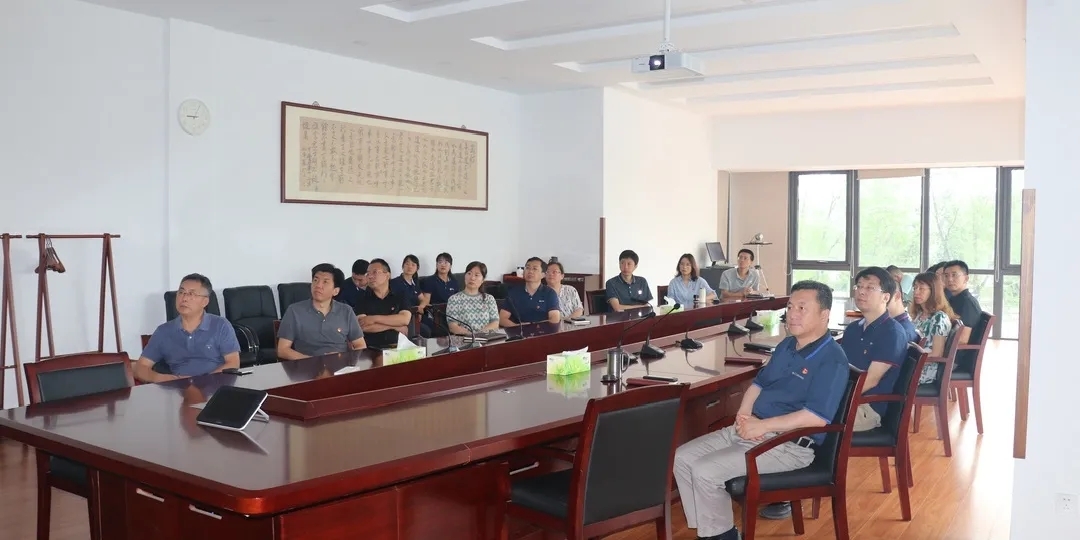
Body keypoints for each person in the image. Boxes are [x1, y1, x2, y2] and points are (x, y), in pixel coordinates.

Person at [673, 281, 850, 540]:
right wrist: (744, 415)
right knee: (682, 458)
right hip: (755, 429)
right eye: (790, 307)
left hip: (789, 445)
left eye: (802, 308)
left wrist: (763, 426)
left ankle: (721, 536)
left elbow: (816, 418)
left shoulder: (832, 360)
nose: (792, 314)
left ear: (824, 315)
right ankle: (712, 532)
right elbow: (758, 384)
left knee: (705, 470)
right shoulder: (787, 345)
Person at [136, 273, 240, 382]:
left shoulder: (220, 325)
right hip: (178, 388)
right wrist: (166, 379)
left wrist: (202, 383)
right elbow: (141, 367)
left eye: (191, 294)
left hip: (215, 386)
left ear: (205, 301)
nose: (184, 298)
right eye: (181, 292)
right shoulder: (163, 331)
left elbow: (233, 363)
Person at [842, 266, 908, 432]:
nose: (861, 292)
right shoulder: (853, 329)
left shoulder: (892, 333)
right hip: (847, 400)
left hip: (866, 408)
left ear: (886, 297)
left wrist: (830, 399)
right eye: (859, 286)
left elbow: (870, 380)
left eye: (870, 288)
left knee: (802, 417)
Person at [277, 263, 366, 359]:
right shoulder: (294, 311)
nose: (318, 285)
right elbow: (282, 350)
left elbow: (360, 345)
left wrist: (343, 358)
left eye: (325, 282)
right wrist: (312, 361)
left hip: (340, 365)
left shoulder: (346, 311)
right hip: (307, 366)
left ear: (335, 291)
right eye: (315, 280)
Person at [354, 258, 414, 348]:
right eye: (368, 274)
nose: (370, 276)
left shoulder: (400, 294)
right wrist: (393, 326)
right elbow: (363, 326)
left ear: (387, 275)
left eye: (375, 272)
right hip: (372, 348)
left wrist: (373, 319)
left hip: (398, 346)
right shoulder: (361, 297)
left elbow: (404, 319)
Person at [909, 272, 957, 384]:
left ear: (933, 291)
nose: (916, 292)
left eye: (921, 288)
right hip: (915, 363)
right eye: (915, 288)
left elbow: (937, 354)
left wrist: (908, 362)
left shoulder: (939, 317)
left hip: (924, 370)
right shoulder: (919, 314)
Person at [501, 257, 560, 326]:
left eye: (535, 269)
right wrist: (518, 328)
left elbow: (555, 319)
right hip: (518, 331)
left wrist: (535, 328)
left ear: (543, 275)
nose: (530, 271)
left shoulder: (550, 293)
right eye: (527, 268)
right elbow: (502, 319)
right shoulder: (514, 292)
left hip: (543, 331)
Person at [446, 261, 501, 335]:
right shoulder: (454, 299)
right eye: (469, 273)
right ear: (465, 276)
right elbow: (453, 327)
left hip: (487, 338)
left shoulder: (489, 299)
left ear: (483, 280)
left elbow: (495, 324)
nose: (472, 278)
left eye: (476, 275)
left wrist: (479, 335)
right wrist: (472, 336)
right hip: (464, 339)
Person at [942, 260, 983, 344]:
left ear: (966, 278)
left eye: (954, 275)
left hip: (956, 351)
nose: (949, 279)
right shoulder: (954, 299)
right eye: (946, 276)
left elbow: (962, 340)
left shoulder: (967, 303)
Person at [420, 252, 460, 334]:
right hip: (437, 314)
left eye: (446, 262)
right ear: (436, 265)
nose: (443, 265)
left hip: (452, 313)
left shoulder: (454, 281)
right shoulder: (430, 281)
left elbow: (458, 300)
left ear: (450, 266)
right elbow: (426, 300)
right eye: (440, 262)